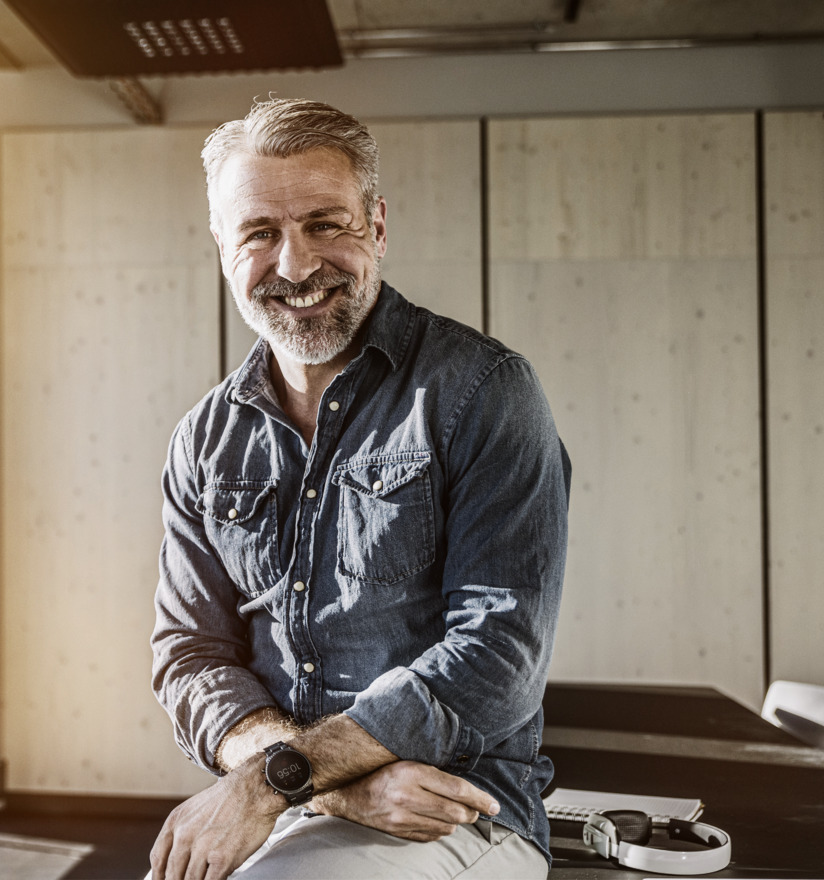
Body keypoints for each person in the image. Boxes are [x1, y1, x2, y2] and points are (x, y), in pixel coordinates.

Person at [149, 98, 570, 880]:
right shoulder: (203, 439)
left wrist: (279, 783)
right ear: (222, 248)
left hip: (457, 813)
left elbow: (497, 654)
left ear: (376, 226)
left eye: (325, 224)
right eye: (260, 233)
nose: (296, 265)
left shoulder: (485, 392)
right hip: (293, 810)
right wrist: (324, 789)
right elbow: (190, 657)